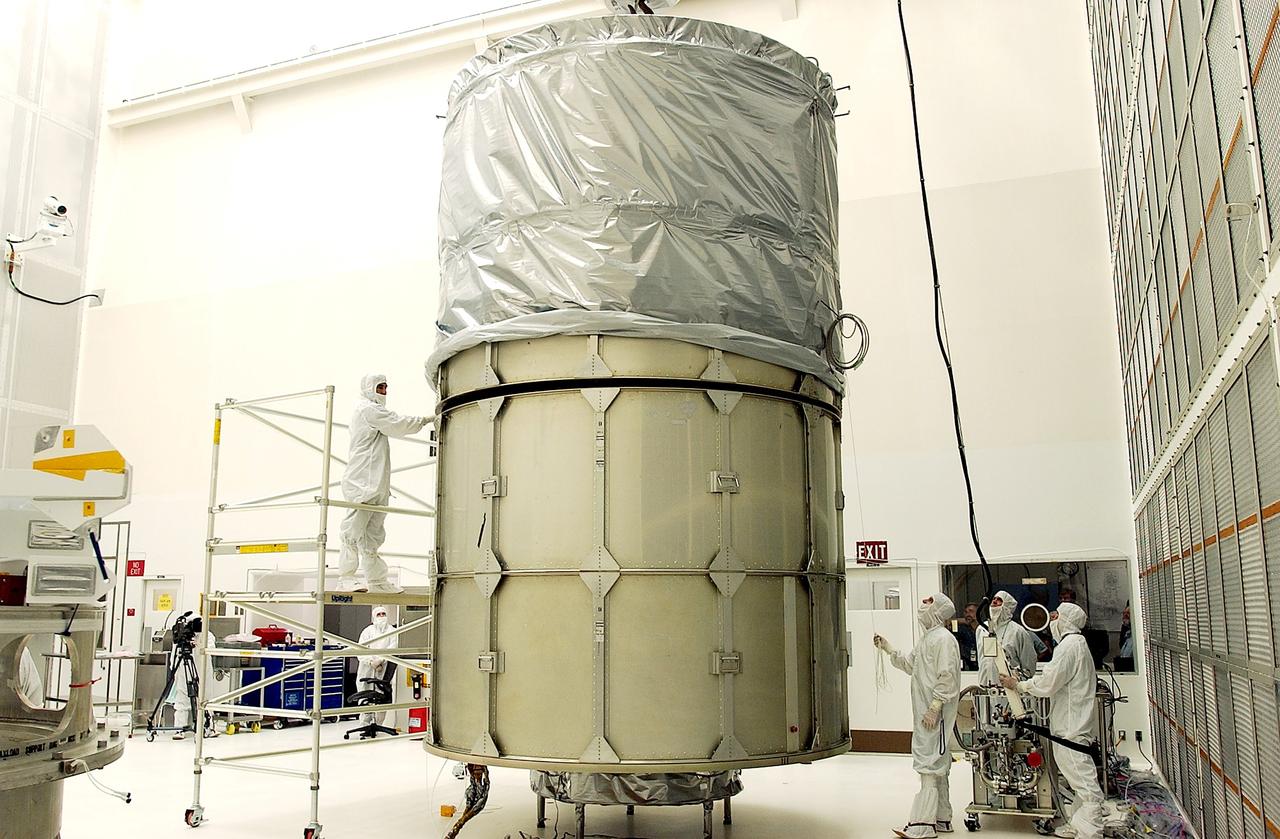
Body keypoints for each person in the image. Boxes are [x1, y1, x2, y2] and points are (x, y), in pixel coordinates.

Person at [1000, 603, 1103, 839]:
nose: (1052, 620)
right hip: (1071, 724)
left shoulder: (1069, 646)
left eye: (1056, 616)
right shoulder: (1077, 644)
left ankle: (1092, 831)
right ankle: (1078, 825)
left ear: (1066, 620)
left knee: (1084, 782)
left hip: (1071, 728)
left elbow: (1048, 684)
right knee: (1077, 779)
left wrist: (1019, 685)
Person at [874, 593, 962, 838]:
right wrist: (888, 647)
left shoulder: (943, 639)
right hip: (927, 711)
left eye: (928, 603)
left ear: (938, 611)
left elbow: (948, 676)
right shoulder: (928, 639)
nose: (922, 607)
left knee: (928, 763)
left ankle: (922, 824)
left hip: (935, 713)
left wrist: (935, 706)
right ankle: (942, 817)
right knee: (938, 763)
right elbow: (911, 665)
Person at [338, 374, 428, 594]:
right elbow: (397, 424)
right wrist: (426, 420)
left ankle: (377, 581)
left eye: (386, 387)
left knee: (373, 534)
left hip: (376, 482)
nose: (384, 391)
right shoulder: (367, 409)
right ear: (369, 388)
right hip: (362, 482)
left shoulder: (372, 410)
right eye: (380, 387)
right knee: (353, 531)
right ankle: (346, 578)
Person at [976, 590, 1040, 685]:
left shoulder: (1018, 631)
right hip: (985, 686)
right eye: (994, 599)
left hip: (1009, 689)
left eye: (999, 600)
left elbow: (1029, 664)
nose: (994, 602)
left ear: (1007, 606)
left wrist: (1019, 683)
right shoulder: (982, 629)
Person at [356, 605, 395, 735]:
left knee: (380, 697)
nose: (382, 617)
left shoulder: (391, 631)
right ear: (373, 617)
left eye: (384, 614)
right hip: (366, 669)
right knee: (364, 696)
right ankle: (365, 726)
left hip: (382, 669)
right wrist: (371, 661)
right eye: (379, 614)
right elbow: (360, 649)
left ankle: (378, 725)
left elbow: (393, 647)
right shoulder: (367, 631)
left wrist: (380, 660)